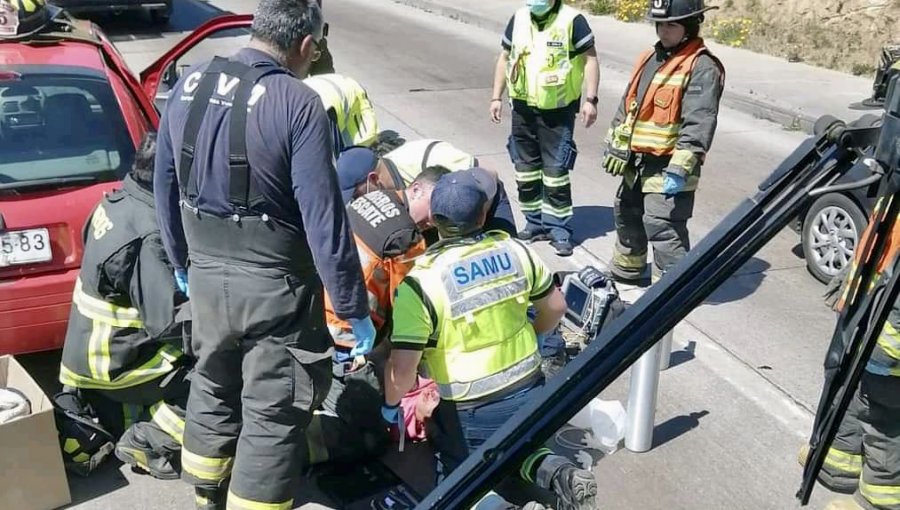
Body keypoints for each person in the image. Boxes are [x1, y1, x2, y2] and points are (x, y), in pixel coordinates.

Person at [152, 1, 374, 508]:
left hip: (205, 274)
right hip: (274, 285)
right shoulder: (297, 103)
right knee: (273, 409)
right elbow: (325, 218)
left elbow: (164, 183)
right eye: (316, 48)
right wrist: (351, 306)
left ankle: (207, 491)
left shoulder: (189, 84)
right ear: (303, 45)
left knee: (212, 381)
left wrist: (182, 262)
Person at [383, 170, 598, 510]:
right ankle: (561, 474)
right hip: (529, 389)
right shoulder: (516, 250)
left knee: (457, 479)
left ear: (434, 220)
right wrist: (535, 335)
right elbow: (555, 308)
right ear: (483, 215)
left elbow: (401, 368)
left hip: (469, 408)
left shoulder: (420, 283)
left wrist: (391, 406)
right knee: (518, 445)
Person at [57, 132, 190, 480]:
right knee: (223, 377)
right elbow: (171, 323)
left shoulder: (116, 201)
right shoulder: (149, 235)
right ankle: (151, 440)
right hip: (119, 364)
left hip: (92, 354)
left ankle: (122, 416)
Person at [302, 167, 447, 467]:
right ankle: (297, 447)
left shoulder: (374, 197)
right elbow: (405, 307)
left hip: (312, 304)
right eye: (434, 205)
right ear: (416, 188)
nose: (434, 216)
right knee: (373, 437)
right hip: (346, 332)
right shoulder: (407, 240)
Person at [603, 0, 725, 283]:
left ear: (690, 26)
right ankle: (627, 271)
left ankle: (670, 289)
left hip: (670, 165)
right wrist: (615, 144)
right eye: (660, 24)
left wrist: (680, 168)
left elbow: (699, 121)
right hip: (638, 161)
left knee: (662, 225)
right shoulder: (650, 58)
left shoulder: (702, 66)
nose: (663, 31)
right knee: (627, 213)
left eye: (671, 24)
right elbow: (628, 105)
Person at [490, 0, 600, 257]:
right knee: (525, 169)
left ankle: (558, 228)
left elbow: (591, 59)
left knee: (555, 171)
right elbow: (505, 58)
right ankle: (535, 221)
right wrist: (496, 97)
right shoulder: (518, 18)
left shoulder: (572, 21)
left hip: (558, 112)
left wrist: (591, 100)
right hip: (522, 109)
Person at [336, 145, 518, 237]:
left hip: (485, 202)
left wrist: (472, 226)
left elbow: (489, 174)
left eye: (357, 195)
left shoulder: (430, 160)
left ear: (374, 179)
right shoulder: (395, 190)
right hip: (439, 220)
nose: (359, 202)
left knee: (511, 266)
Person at [303, 73, 379, 158]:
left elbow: (331, 159)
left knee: (362, 154)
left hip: (353, 96)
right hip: (326, 89)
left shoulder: (319, 118)